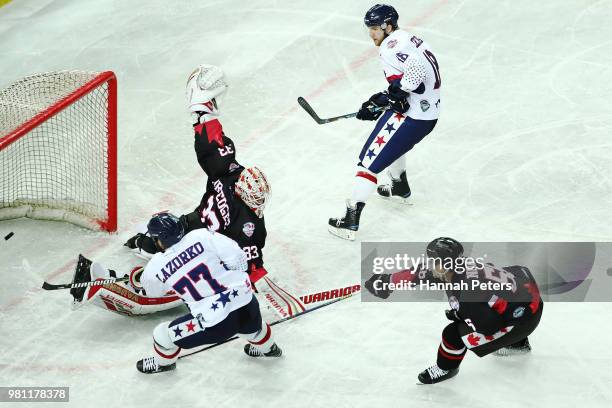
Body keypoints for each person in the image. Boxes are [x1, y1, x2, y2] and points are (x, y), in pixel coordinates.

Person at [328, 4, 441, 240]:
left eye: (375, 28)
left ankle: (350, 220)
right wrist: (385, 99)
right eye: (369, 28)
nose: (371, 33)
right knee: (395, 146)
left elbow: (416, 75)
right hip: (424, 113)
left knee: (367, 163)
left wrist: (390, 97)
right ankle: (399, 185)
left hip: (413, 118)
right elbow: (412, 79)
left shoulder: (390, 46)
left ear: (388, 26)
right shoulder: (409, 38)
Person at [364, 237, 544, 384]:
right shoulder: (458, 267)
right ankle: (518, 341)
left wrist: (461, 315)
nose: (429, 263)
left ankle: (446, 368)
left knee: (452, 334)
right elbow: (422, 273)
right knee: (497, 308)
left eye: (433, 260)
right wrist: (389, 281)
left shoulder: (466, 295)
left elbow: (488, 327)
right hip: (527, 301)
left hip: (524, 320)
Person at [133, 212, 282, 374]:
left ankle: (163, 363)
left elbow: (153, 294)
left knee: (162, 335)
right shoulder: (201, 235)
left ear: (159, 240)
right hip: (247, 303)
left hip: (217, 324)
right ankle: (269, 348)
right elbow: (238, 258)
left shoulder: (155, 266)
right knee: (255, 329)